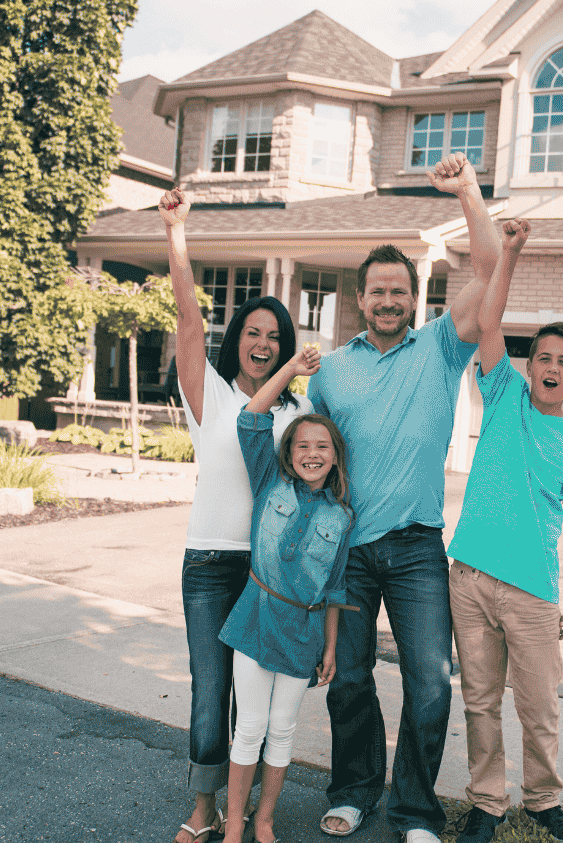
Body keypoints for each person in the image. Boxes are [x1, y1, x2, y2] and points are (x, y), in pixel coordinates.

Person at [306, 153, 510, 843]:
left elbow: (490, 270)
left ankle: (416, 812)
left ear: (413, 299)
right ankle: (354, 791)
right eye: (377, 292)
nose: (388, 301)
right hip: (348, 550)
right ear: (360, 299)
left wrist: (469, 192)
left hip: (419, 548)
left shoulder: (442, 348)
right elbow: (311, 461)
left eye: (399, 291)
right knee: (348, 680)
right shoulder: (331, 372)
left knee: (430, 683)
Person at [161, 188, 313, 843]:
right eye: (253, 332)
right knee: (210, 689)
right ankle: (205, 806)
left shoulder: (297, 412)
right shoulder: (211, 396)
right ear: (238, 340)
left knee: (257, 703)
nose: (262, 343)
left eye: (274, 337)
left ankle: (248, 805)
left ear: (285, 349)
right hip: (208, 563)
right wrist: (177, 233)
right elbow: (188, 321)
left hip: (269, 574)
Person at [446, 252, 563, 843]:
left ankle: (543, 801)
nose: (553, 368)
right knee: (479, 701)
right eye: (545, 358)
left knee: (539, 706)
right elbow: (489, 321)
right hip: (471, 578)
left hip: (534, 590)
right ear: (529, 367)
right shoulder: (504, 393)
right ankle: (487, 804)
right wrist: (509, 253)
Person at [218, 345, 355, 843]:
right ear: (288, 453)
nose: (312, 454)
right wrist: (291, 370)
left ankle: (265, 820)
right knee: (250, 726)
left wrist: (331, 646)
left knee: (281, 729)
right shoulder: (268, 481)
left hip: (304, 633)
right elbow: (251, 420)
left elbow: (335, 587)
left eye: (322, 446)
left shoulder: (342, 516)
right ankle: (235, 823)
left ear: (335, 456)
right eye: (302, 446)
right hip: (255, 619)